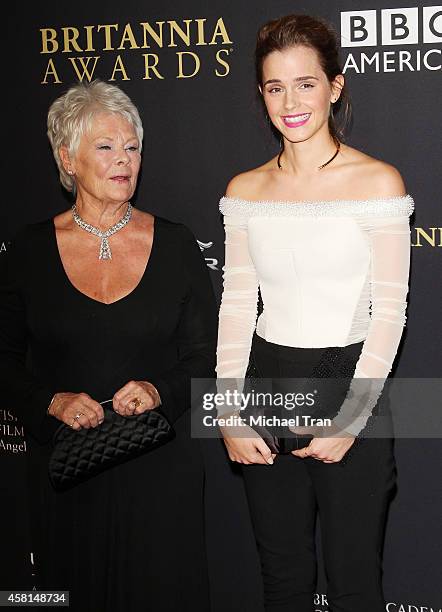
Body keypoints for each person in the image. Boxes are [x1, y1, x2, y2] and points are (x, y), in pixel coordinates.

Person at [215, 14, 414, 612]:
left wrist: (352, 416)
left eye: (306, 84)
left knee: (355, 585)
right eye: (275, 87)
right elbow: (233, 304)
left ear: (336, 85)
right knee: (283, 582)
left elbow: (391, 310)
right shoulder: (245, 190)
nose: (290, 102)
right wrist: (227, 410)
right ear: (261, 94)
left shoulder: (378, 181)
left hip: (352, 379)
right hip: (267, 383)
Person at [0, 79, 217, 611]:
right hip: (68, 473)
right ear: (66, 157)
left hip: (161, 472)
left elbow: (206, 356)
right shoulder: (27, 251)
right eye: (106, 146)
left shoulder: (176, 244)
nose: (124, 160)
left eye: (132, 147)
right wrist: (49, 402)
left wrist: (159, 388)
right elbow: (2, 359)